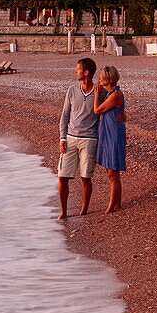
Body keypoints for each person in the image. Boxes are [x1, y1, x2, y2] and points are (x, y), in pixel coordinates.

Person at [57, 57, 99, 219]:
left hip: (90, 140)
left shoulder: (98, 92)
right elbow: (65, 115)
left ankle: (84, 210)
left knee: (85, 177)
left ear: (86, 72)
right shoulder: (72, 90)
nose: (76, 72)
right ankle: (63, 212)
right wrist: (62, 138)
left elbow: (109, 107)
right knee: (62, 177)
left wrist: (121, 114)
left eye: (78, 69)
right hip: (70, 138)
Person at [94, 65, 126, 215]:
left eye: (101, 77)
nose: (98, 79)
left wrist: (95, 95)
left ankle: (111, 206)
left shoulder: (115, 95)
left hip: (113, 134)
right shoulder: (110, 94)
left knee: (113, 172)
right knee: (111, 171)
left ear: (107, 79)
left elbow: (97, 110)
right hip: (109, 132)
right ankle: (117, 203)